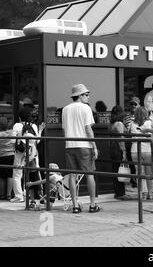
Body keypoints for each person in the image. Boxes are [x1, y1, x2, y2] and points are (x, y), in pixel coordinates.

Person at [62, 84, 100, 214]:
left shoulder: (65, 109)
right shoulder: (85, 108)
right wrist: (94, 146)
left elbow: (64, 129)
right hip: (84, 145)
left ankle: (75, 205)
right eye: (86, 94)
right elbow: (88, 129)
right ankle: (93, 204)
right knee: (89, 175)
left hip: (70, 145)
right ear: (80, 96)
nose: (88, 97)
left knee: (72, 176)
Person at [11, 107, 42, 203]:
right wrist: (40, 131)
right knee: (33, 172)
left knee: (17, 173)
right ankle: (37, 194)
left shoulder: (17, 125)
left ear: (20, 117)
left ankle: (19, 196)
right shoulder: (34, 126)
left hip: (20, 152)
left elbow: (12, 140)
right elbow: (37, 140)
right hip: (31, 152)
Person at [129, 106, 153, 200]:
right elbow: (152, 136)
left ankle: (142, 193)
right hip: (147, 148)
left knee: (139, 172)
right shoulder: (149, 123)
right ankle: (150, 193)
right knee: (149, 172)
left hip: (135, 149)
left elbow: (132, 137)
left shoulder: (132, 124)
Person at [108, 105, 129, 200]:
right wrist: (124, 151)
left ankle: (118, 192)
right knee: (120, 170)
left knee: (115, 170)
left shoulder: (111, 124)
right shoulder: (119, 124)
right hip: (118, 148)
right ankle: (121, 193)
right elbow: (121, 138)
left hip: (112, 148)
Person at [0, 117, 16, 200]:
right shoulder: (12, 132)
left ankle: (2, 194)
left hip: (2, 156)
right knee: (10, 175)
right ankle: (9, 194)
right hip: (11, 155)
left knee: (2, 176)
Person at [123, 97, 141, 188]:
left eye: (135, 104)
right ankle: (134, 182)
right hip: (130, 142)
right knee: (132, 163)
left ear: (139, 105)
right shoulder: (126, 116)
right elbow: (125, 129)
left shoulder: (143, 115)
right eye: (132, 104)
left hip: (142, 143)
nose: (133, 106)